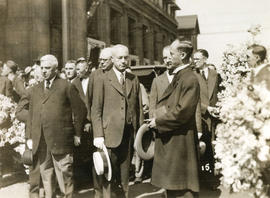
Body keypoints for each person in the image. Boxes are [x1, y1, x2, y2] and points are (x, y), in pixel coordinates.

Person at [26, 54, 86, 198]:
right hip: (41, 140)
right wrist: (29, 136)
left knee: (64, 173)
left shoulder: (66, 86)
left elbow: (80, 110)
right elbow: (31, 115)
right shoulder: (36, 89)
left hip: (61, 139)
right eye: (42, 68)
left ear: (55, 69)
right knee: (46, 173)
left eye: (47, 68)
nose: (44, 71)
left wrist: (77, 133)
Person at [147, 39, 200, 198]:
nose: (168, 58)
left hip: (180, 142)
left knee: (182, 188)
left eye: (171, 54)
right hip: (175, 139)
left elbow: (182, 111)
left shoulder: (189, 78)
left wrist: (158, 121)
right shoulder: (182, 76)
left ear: (182, 55)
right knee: (175, 187)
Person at [91, 44, 144, 198]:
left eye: (126, 57)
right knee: (108, 175)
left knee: (125, 177)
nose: (123, 61)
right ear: (112, 59)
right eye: (119, 58)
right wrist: (98, 135)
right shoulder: (102, 78)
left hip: (127, 136)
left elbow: (138, 108)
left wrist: (139, 134)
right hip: (109, 136)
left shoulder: (133, 79)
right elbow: (96, 110)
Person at [193, 49, 220, 189]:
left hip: (214, 119)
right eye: (194, 59)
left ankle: (210, 179)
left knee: (212, 149)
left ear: (205, 59)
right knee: (203, 149)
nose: (194, 61)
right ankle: (203, 179)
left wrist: (217, 108)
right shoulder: (192, 76)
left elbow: (219, 94)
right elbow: (194, 98)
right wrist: (206, 109)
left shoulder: (215, 74)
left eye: (197, 59)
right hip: (201, 118)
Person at [72, 57, 93, 190]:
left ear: (86, 69)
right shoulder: (74, 83)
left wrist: (89, 121)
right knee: (81, 152)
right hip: (80, 122)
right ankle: (82, 180)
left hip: (92, 121)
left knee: (93, 151)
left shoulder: (94, 80)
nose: (77, 72)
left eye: (79, 69)